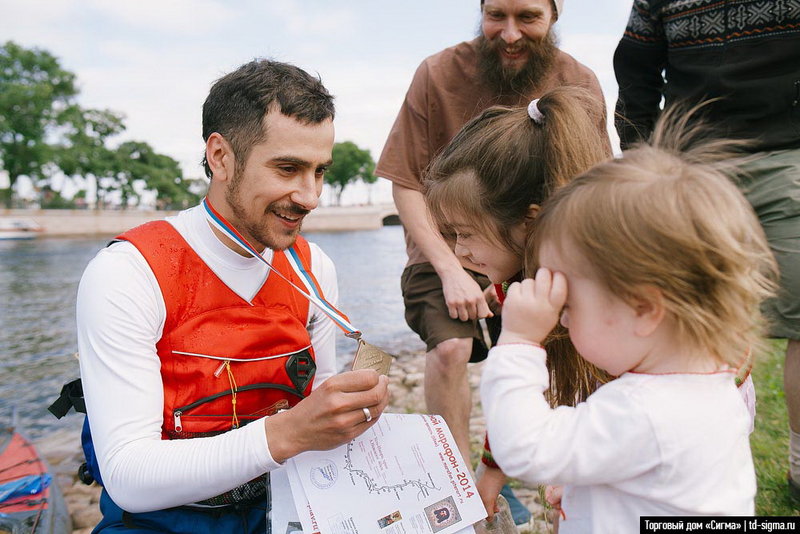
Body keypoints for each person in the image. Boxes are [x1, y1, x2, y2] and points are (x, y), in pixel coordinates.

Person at [75, 59, 390, 533]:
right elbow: (127, 476)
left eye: (320, 171)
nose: (310, 197)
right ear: (220, 157)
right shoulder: (129, 272)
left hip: (283, 509)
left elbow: (319, 403)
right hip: (162, 521)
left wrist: (345, 411)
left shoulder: (315, 267)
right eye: (288, 168)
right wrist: (291, 431)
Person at [480, 119, 777, 531]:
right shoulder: (713, 388)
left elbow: (523, 449)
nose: (560, 320)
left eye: (568, 305)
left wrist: (517, 341)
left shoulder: (642, 411)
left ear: (643, 309)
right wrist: (599, 485)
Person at [376, 0, 609, 522]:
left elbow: (592, 183)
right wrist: (452, 265)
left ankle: (560, 471)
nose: (509, 34)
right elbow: (407, 183)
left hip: (529, 244)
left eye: (527, 17)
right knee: (452, 349)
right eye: (495, 15)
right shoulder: (436, 74)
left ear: (554, 15)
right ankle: (457, 478)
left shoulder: (579, 80)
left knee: (564, 362)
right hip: (446, 247)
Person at [613, 0, 800, 499]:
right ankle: (698, 453)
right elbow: (635, 75)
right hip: (690, 161)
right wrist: (642, 166)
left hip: (787, 156)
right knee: (686, 320)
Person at [423, 87, 611, 523]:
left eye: (465, 234)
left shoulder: (604, 294)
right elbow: (528, 381)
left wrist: (586, 465)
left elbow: (630, 397)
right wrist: (491, 468)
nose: (458, 252)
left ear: (530, 221)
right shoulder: (518, 283)